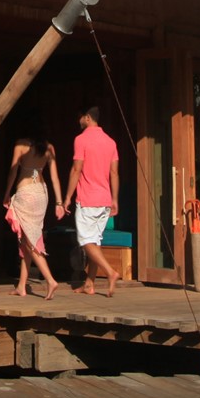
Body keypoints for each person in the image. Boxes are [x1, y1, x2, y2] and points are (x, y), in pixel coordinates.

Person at [66, 103, 121, 296]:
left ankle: (110, 272)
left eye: (80, 117)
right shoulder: (110, 142)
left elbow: (76, 169)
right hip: (105, 199)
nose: (78, 120)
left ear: (87, 118)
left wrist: (66, 198)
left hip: (88, 198)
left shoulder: (81, 140)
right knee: (95, 242)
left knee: (86, 241)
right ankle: (89, 284)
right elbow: (114, 173)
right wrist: (114, 199)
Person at [1, 134, 64, 298]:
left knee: (29, 240)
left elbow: (13, 172)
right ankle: (22, 286)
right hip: (42, 193)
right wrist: (59, 202)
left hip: (26, 193)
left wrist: (7, 194)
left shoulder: (20, 145)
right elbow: (55, 178)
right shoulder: (49, 147)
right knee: (26, 239)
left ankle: (50, 280)